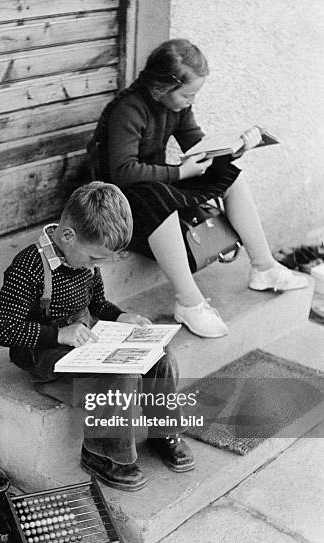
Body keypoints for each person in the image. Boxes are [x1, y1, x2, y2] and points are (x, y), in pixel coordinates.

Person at [88, 39, 307, 338]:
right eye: (187, 94)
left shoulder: (175, 107)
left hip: (152, 184)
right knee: (157, 200)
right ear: (163, 86)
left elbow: (197, 145)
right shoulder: (129, 109)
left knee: (228, 174)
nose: (190, 101)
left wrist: (236, 147)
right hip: (116, 199)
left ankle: (264, 267)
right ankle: (189, 303)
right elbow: (123, 172)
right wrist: (179, 171)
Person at [0, 182, 195, 492]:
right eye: (95, 259)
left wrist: (122, 317)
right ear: (69, 236)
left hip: (85, 346)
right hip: (50, 361)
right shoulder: (28, 268)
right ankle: (102, 453)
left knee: (160, 356)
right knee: (121, 376)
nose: (97, 267)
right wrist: (58, 334)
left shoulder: (83, 260)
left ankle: (163, 431)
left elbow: (97, 304)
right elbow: (1, 328)